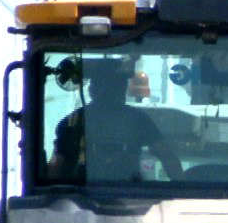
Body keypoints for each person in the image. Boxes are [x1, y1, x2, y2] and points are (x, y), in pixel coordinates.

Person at [48, 57, 183, 184]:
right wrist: (181, 189)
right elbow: (168, 157)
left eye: (120, 85)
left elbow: (55, 169)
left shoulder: (72, 122)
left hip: (93, 197)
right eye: (116, 85)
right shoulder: (138, 120)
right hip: (126, 194)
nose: (120, 89)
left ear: (91, 90)